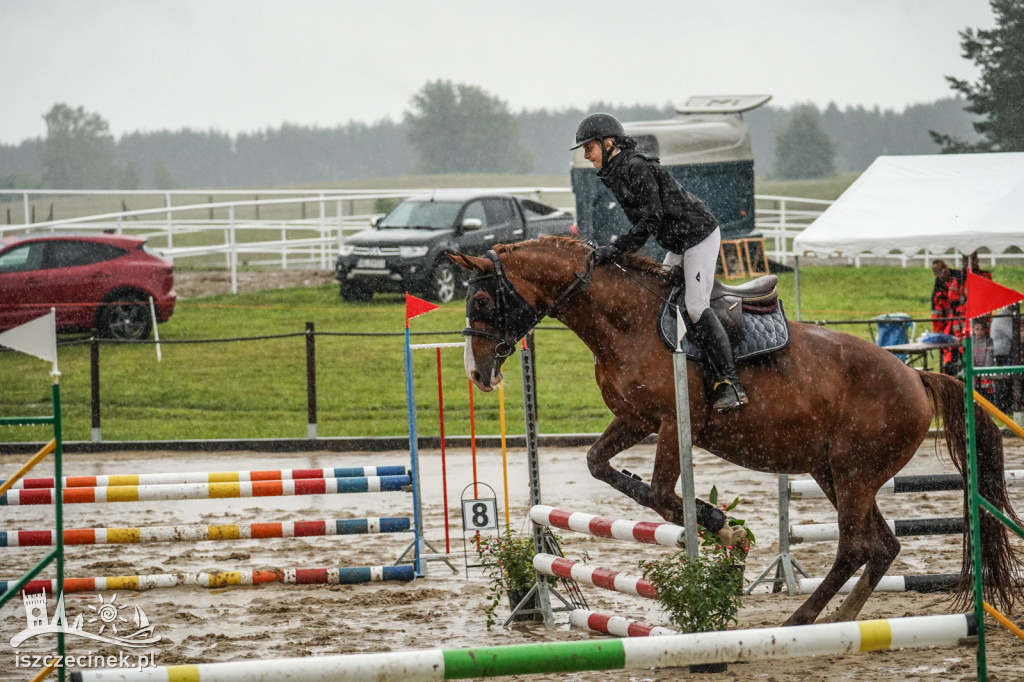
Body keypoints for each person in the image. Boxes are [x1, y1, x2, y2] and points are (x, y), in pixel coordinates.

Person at [571, 113, 747, 413]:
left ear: (609, 143)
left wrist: (614, 250)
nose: (586, 155)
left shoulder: (636, 167)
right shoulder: (616, 172)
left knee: (694, 306)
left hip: (698, 236)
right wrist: (615, 250)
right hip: (678, 243)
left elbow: (650, 220)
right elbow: (647, 224)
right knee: (658, 297)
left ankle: (730, 383)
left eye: (590, 147)